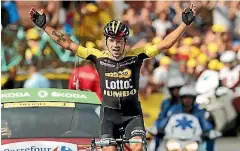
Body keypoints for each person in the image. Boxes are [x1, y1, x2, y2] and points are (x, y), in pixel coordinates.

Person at [29, 4, 196, 151]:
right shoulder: (98, 56)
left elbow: (165, 44)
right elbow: (68, 44)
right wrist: (45, 26)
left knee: (137, 147)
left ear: (125, 42)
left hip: (132, 115)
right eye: (112, 41)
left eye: (119, 41)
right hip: (109, 115)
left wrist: (184, 24)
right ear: (106, 41)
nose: (116, 45)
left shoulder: (137, 55)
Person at [156, 85, 216, 151]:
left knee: (210, 140)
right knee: (157, 141)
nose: (187, 100)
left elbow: (205, 124)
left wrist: (209, 131)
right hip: (174, 139)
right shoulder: (174, 109)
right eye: (185, 98)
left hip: (193, 140)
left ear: (194, 99)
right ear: (181, 99)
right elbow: (166, 121)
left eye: (190, 98)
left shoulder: (199, 111)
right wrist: (158, 128)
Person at [154, 76, 185, 151]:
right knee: (155, 144)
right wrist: (156, 127)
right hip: (168, 132)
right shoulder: (166, 102)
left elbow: (198, 117)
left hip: (186, 132)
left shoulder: (190, 102)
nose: (176, 91)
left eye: (179, 88)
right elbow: (161, 117)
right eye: (173, 89)